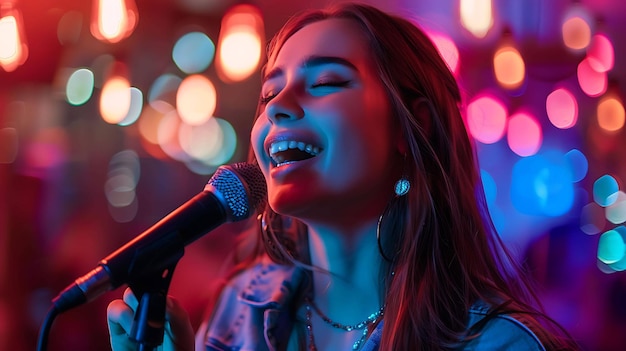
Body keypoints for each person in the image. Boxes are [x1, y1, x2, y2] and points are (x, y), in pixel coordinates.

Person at [107, 2, 580, 350]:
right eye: (269, 93)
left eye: (327, 83)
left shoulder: (497, 344)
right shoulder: (240, 311)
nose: (280, 108)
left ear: (409, 127)